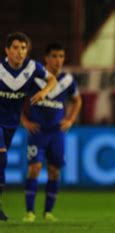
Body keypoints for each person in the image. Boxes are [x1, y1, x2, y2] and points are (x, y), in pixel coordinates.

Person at [21, 42, 82, 222]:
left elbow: (77, 101)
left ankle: (48, 212)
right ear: (46, 59)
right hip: (38, 131)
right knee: (35, 168)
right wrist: (24, 121)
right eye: (54, 56)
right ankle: (29, 212)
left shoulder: (68, 80)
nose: (58, 60)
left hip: (57, 133)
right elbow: (17, 98)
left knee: (54, 172)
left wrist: (70, 119)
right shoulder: (34, 79)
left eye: (61, 56)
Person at [0, 32, 57, 221]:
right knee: (1, 158)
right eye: (15, 47)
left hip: (11, 123)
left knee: (1, 163)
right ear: (7, 50)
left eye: (23, 48)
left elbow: (52, 79)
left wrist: (44, 93)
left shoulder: (32, 67)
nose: (19, 52)